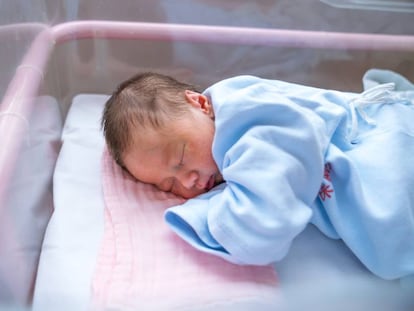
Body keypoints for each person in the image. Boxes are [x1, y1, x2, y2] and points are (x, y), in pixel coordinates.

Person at [101, 69, 414, 283]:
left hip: (387, 135)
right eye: (168, 184)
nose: (188, 181)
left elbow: (265, 222)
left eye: (180, 158)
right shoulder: (215, 146)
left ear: (199, 103)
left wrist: (205, 216)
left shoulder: (246, 116)